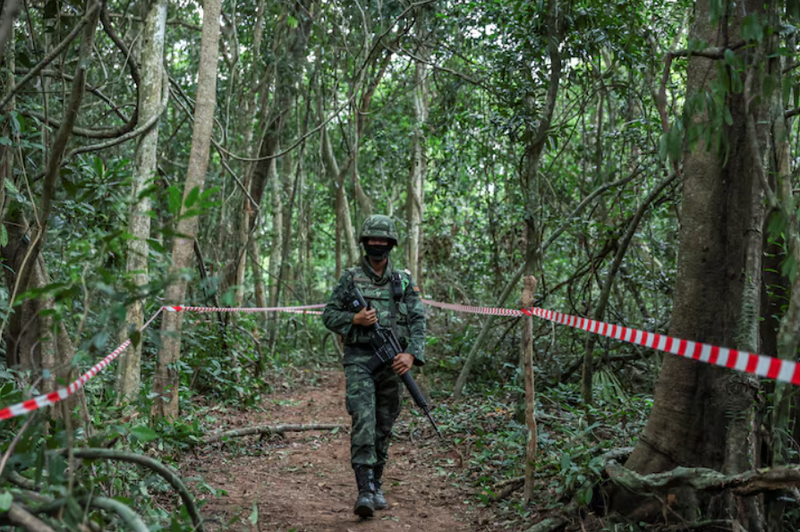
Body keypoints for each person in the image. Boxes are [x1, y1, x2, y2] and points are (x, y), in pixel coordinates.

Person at [322, 214, 427, 518]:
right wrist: (354, 319)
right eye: (372, 240)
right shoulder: (351, 278)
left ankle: (376, 482)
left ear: (391, 244)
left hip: (393, 362)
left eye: (383, 241)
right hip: (360, 361)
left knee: (384, 423)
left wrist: (411, 354)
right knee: (364, 419)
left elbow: (418, 321)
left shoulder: (403, 280)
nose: (377, 245)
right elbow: (329, 315)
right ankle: (364, 490)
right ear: (364, 243)